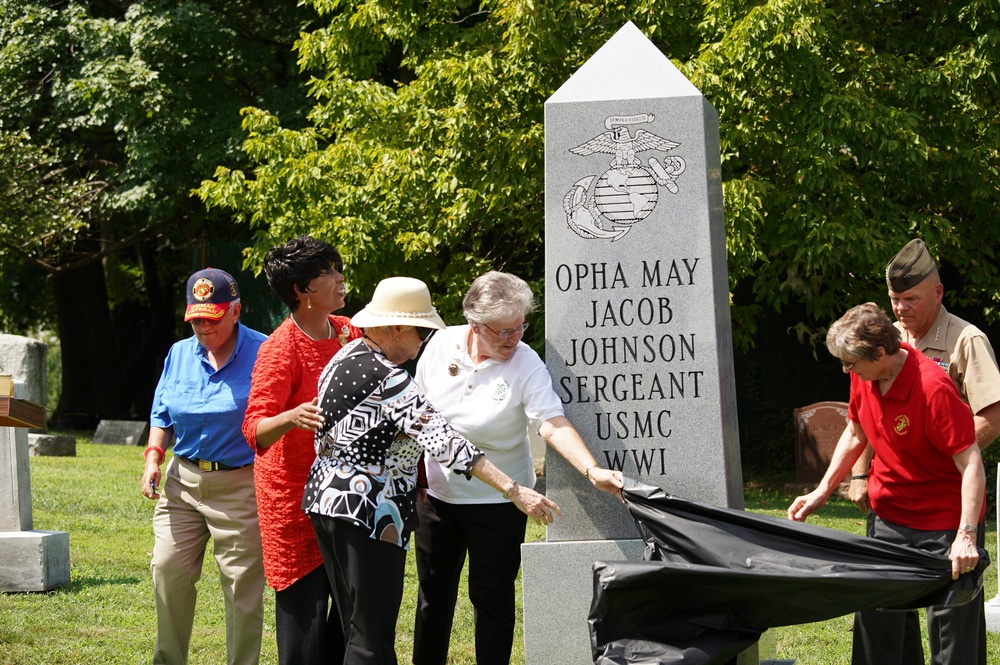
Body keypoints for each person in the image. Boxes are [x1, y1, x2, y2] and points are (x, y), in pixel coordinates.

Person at [303, 276, 562, 665]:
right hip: (369, 512)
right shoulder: (390, 379)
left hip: (327, 503)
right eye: (420, 331)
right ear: (395, 329)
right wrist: (513, 488)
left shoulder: (344, 356)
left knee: (356, 624)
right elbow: (448, 444)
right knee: (371, 639)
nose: (424, 342)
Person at [411, 271, 625, 665]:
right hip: (438, 499)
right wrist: (416, 481)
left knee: (492, 600)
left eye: (519, 327)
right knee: (433, 597)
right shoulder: (440, 345)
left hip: (500, 503)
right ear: (474, 325)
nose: (514, 338)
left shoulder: (526, 362)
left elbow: (550, 422)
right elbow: (418, 417)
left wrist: (591, 470)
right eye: (503, 331)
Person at [787, 302, 987, 665]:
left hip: (943, 525)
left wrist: (967, 535)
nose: (846, 369)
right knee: (877, 628)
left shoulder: (933, 388)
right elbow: (855, 431)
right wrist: (821, 491)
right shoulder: (863, 376)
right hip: (889, 518)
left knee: (952, 641)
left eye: (851, 362)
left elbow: (971, 460)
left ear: (881, 352)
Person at [848, 239, 1000, 665]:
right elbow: (864, 415)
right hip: (892, 501)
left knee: (952, 620)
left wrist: (935, 459)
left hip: (948, 502)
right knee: (882, 612)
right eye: (895, 299)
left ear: (938, 292)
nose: (900, 309)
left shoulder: (966, 340)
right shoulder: (885, 340)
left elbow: (992, 415)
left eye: (910, 299)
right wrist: (860, 474)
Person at [242, 236, 361, 664]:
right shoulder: (280, 349)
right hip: (295, 508)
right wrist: (292, 416)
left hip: (347, 500)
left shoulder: (350, 332)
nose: (339, 276)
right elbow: (254, 430)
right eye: (328, 271)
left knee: (352, 628)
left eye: (336, 266)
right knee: (305, 638)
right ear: (301, 290)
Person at [141, 267, 267, 665]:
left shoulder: (264, 352)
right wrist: (153, 458)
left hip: (241, 485)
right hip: (183, 481)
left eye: (211, 319)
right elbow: (162, 413)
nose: (202, 328)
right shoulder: (179, 353)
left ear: (236, 311)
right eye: (195, 319)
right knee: (167, 568)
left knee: (241, 588)